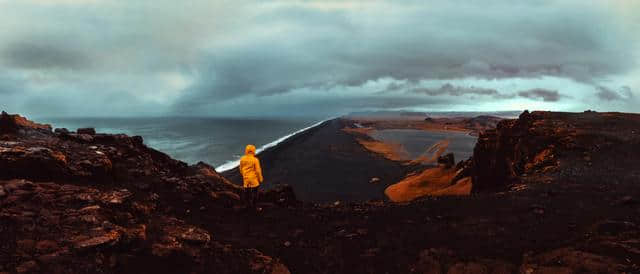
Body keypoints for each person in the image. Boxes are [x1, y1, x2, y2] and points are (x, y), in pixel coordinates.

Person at [239, 144, 263, 210]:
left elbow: (240, 169)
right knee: (255, 193)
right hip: (253, 179)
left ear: (246, 150)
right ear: (253, 151)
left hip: (246, 179)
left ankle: (247, 206)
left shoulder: (242, 159)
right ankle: (255, 207)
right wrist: (260, 179)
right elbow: (258, 171)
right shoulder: (255, 160)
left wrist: (244, 175)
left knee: (247, 193)